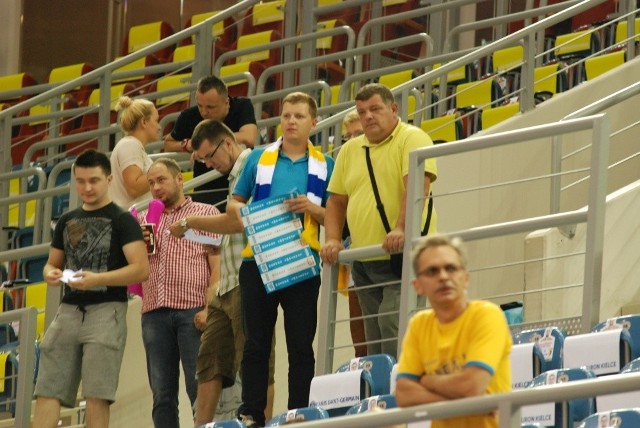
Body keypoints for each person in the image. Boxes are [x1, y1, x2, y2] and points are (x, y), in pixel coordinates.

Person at [182, 92, 333, 428]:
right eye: (286, 115)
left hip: (301, 263)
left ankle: (299, 412)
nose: (291, 121)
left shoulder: (326, 164)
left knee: (300, 345)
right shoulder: (259, 158)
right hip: (258, 260)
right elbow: (234, 205)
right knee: (255, 343)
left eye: (299, 116)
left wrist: (313, 209)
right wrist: (245, 211)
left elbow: (336, 219)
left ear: (314, 122)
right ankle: (251, 413)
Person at [167, 120, 275, 426]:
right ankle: (202, 425)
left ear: (228, 143)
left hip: (250, 278)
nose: (208, 164)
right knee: (209, 361)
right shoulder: (234, 175)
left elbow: (238, 222)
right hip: (226, 283)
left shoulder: (256, 166)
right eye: (202, 160)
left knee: (257, 359)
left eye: (209, 156)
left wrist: (191, 223)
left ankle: (262, 423)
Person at [33, 149, 149, 428]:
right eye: (81, 181)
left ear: (109, 179)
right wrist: (52, 274)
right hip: (69, 309)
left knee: (97, 394)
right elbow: (51, 264)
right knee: (47, 389)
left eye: (94, 181)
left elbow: (141, 269)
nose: (87, 187)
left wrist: (97, 279)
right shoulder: (66, 220)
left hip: (107, 311)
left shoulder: (123, 220)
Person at [321, 83, 438, 358]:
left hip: (403, 255)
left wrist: (401, 228)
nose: (368, 116)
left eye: (375, 109)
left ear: (394, 109)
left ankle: (405, 391)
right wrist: (333, 239)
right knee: (372, 338)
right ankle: (382, 397)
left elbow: (417, 188)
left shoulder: (412, 138)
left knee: (393, 323)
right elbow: (336, 201)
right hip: (364, 261)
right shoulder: (350, 150)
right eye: (362, 112)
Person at [137, 158, 221, 428]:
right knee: (161, 395)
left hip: (192, 310)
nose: (156, 187)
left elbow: (217, 266)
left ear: (180, 179)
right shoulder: (144, 220)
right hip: (153, 313)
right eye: (151, 183)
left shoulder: (205, 212)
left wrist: (210, 308)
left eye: (161, 180)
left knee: (200, 389)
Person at [395, 235, 512, 428]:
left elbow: (471, 386)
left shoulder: (487, 316)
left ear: (465, 278)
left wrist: (428, 380)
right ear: (418, 286)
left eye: (450, 268)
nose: (443, 276)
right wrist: (468, 405)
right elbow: (404, 394)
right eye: (432, 271)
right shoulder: (418, 325)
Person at [164, 75, 258, 208]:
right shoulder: (188, 116)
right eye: (199, 105)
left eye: (210, 107)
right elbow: (168, 143)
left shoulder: (242, 106)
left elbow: (249, 137)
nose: (204, 112)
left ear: (226, 102)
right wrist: (188, 145)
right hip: (205, 187)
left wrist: (204, 145)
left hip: (239, 181)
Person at [341, 110, 367, 358]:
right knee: (360, 343)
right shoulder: (343, 167)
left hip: (383, 257)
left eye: (358, 134)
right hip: (353, 261)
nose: (352, 141)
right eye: (347, 136)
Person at [110, 96, 159, 209]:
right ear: (144, 122)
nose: (159, 127)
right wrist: (162, 173)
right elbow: (134, 188)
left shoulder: (132, 145)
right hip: (132, 220)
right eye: (156, 120)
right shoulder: (130, 145)